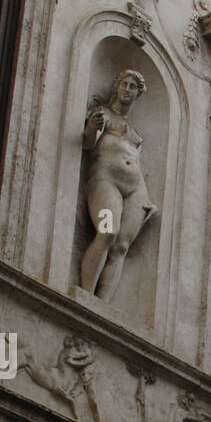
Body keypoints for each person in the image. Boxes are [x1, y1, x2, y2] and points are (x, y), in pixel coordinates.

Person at [80, 69, 158, 300]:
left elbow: (136, 164)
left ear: (138, 94)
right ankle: (85, 296)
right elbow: (87, 143)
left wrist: (146, 199)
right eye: (124, 84)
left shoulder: (135, 134)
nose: (127, 89)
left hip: (135, 190)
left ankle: (102, 306)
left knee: (121, 247)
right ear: (117, 86)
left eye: (132, 87)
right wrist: (91, 128)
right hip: (106, 180)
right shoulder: (102, 114)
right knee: (107, 231)